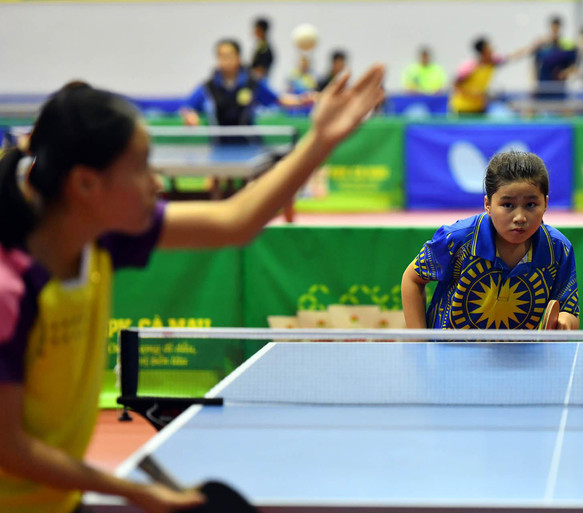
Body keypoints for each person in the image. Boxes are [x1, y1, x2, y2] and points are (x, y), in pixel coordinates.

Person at [0, 64, 385, 513]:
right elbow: (9, 448)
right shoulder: (10, 290)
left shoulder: (98, 238)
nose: (156, 182)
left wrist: (320, 141)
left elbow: (234, 222)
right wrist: (136, 491)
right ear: (86, 184)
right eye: (141, 167)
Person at [401, 151, 579, 330]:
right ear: (488, 204)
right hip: (449, 347)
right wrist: (419, 341)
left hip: (521, 349)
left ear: (545, 203)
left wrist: (565, 321)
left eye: (531, 205)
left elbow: (568, 309)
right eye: (507, 205)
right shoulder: (459, 240)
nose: (520, 217)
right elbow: (412, 279)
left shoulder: (558, 249)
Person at [181, 39, 312, 127]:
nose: (225, 60)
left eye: (229, 55)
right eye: (221, 56)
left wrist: (301, 100)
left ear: (238, 57)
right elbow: (188, 107)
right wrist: (190, 115)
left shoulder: (252, 83)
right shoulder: (208, 87)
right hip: (218, 147)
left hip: (249, 145)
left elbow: (278, 99)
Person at [449, 37, 535, 115]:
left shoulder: (492, 63)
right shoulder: (470, 66)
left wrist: (532, 47)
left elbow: (512, 56)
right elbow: (455, 85)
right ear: (483, 51)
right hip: (463, 108)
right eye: (489, 48)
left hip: (479, 108)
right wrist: (475, 95)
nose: (492, 50)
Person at [532, 15, 577, 99]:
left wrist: (564, 73)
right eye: (553, 28)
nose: (555, 30)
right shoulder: (542, 45)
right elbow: (535, 65)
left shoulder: (567, 46)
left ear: (560, 28)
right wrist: (533, 84)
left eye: (557, 28)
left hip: (559, 89)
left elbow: (574, 67)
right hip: (543, 88)